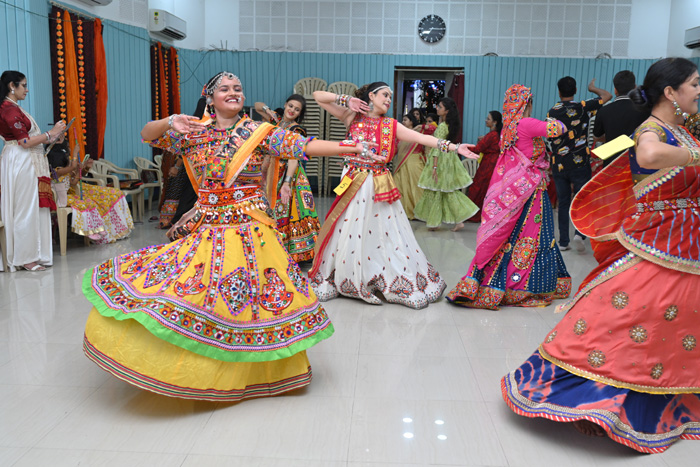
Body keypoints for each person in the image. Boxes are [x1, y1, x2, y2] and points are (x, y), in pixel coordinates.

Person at [81, 71, 379, 401]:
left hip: (251, 231)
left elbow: (302, 145)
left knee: (252, 304)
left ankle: (253, 373)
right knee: (202, 297)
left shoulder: (258, 131)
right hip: (208, 228)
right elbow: (147, 134)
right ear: (210, 97)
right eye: (224, 88)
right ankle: (202, 370)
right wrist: (170, 121)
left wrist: (349, 147)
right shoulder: (193, 132)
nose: (233, 92)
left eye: (238, 88)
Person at [501, 57, 700, 453]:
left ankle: (665, 382)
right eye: (694, 84)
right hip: (656, 228)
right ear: (669, 91)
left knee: (666, 313)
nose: (698, 91)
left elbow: (601, 145)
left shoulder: (671, 126)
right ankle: (603, 389)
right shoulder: (633, 122)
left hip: (677, 231)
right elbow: (645, 154)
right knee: (634, 307)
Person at [309, 82, 478, 309]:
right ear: (371, 96)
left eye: (390, 96)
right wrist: (345, 100)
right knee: (349, 228)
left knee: (384, 232)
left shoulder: (391, 125)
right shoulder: (352, 116)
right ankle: (348, 275)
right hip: (353, 181)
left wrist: (454, 147)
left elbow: (422, 139)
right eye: (385, 95)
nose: (388, 99)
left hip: (378, 183)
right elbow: (318, 96)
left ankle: (381, 276)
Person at [447, 84, 571, 309]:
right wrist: (558, 116)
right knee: (534, 239)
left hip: (519, 194)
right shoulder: (526, 123)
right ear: (527, 103)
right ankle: (526, 286)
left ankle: (503, 281)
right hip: (532, 194)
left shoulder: (509, 128)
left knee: (514, 238)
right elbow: (558, 129)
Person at [0, 70, 65, 272]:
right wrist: (50, 133)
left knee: (34, 207)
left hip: (26, 160)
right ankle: (24, 257)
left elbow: (30, 139)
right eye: (24, 85)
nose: (27, 90)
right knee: (25, 208)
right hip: (21, 160)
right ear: (12, 86)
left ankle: (36, 254)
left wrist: (53, 138)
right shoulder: (8, 109)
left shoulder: (14, 107)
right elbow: (24, 141)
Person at [547, 76, 611, 252]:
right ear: (575, 90)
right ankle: (579, 234)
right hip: (580, 162)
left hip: (559, 163)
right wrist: (593, 88)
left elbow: (549, 137)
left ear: (559, 92)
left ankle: (563, 242)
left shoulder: (552, 112)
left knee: (563, 202)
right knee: (582, 199)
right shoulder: (583, 107)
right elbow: (608, 95)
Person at [255, 94, 321, 263]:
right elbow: (257, 105)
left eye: (297, 109)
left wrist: (287, 182)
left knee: (287, 210)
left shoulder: (296, 130)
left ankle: (290, 253)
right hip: (271, 172)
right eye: (290, 106)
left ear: (299, 114)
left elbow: (294, 157)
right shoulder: (276, 120)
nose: (292, 110)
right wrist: (268, 111)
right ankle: (271, 249)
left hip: (287, 174)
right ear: (285, 105)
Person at [47, 136, 133, 243]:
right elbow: (72, 170)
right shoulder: (57, 170)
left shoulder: (66, 166)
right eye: (67, 148)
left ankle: (101, 229)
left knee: (95, 201)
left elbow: (74, 181)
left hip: (72, 190)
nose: (69, 150)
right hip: (64, 196)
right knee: (88, 203)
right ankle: (93, 231)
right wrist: (75, 154)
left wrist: (83, 168)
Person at [414, 97, 479, 231]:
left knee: (439, 191)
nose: (437, 108)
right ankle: (441, 222)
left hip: (441, 161)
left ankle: (438, 222)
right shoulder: (449, 125)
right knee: (444, 191)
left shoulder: (443, 127)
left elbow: (437, 146)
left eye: (440, 107)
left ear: (447, 111)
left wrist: (434, 166)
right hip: (449, 159)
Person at [592, 70, 650, 166]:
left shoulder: (604, 111)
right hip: (638, 163)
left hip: (612, 164)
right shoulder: (645, 110)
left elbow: (596, 137)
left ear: (615, 90)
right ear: (635, 88)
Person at [465, 110, 503, 223]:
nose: (486, 120)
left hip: (488, 164)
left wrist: (461, 148)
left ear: (495, 122)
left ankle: (473, 214)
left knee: (478, 188)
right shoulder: (497, 134)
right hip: (493, 163)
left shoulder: (492, 135)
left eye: (488, 119)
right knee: (486, 190)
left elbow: (477, 149)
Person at [393, 113, 430, 219]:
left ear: (412, 122)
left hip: (415, 163)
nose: (403, 122)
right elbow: (395, 150)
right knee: (401, 187)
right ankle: (404, 213)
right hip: (402, 164)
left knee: (416, 188)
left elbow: (433, 129)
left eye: (405, 120)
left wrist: (421, 126)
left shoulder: (418, 132)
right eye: (402, 120)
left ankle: (421, 213)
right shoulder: (400, 135)